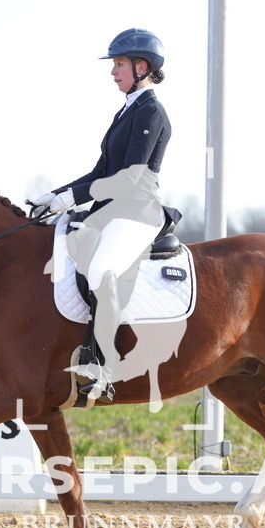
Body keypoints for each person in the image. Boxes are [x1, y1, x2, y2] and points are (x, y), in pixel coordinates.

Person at [33, 28, 177, 403]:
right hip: (111, 211)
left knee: (100, 270)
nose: (113, 72)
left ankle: (103, 368)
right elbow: (101, 173)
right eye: (114, 65)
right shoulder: (126, 111)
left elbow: (130, 177)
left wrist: (74, 198)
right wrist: (58, 195)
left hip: (136, 213)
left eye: (119, 65)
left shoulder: (151, 112)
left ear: (141, 67)